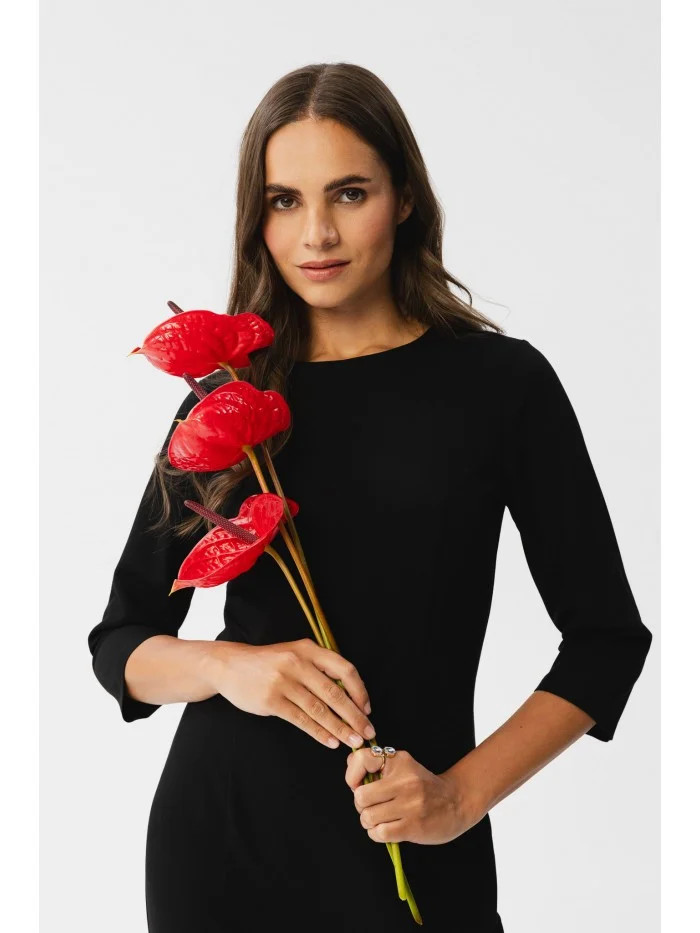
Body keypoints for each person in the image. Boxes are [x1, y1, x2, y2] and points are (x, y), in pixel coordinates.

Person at [87, 62, 653, 932]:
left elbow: (607, 642)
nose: (317, 232)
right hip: (223, 844)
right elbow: (121, 642)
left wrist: (458, 798)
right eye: (284, 201)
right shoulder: (230, 397)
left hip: (413, 845)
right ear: (257, 220)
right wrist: (230, 667)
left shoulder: (502, 386)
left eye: (349, 193)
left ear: (405, 198)